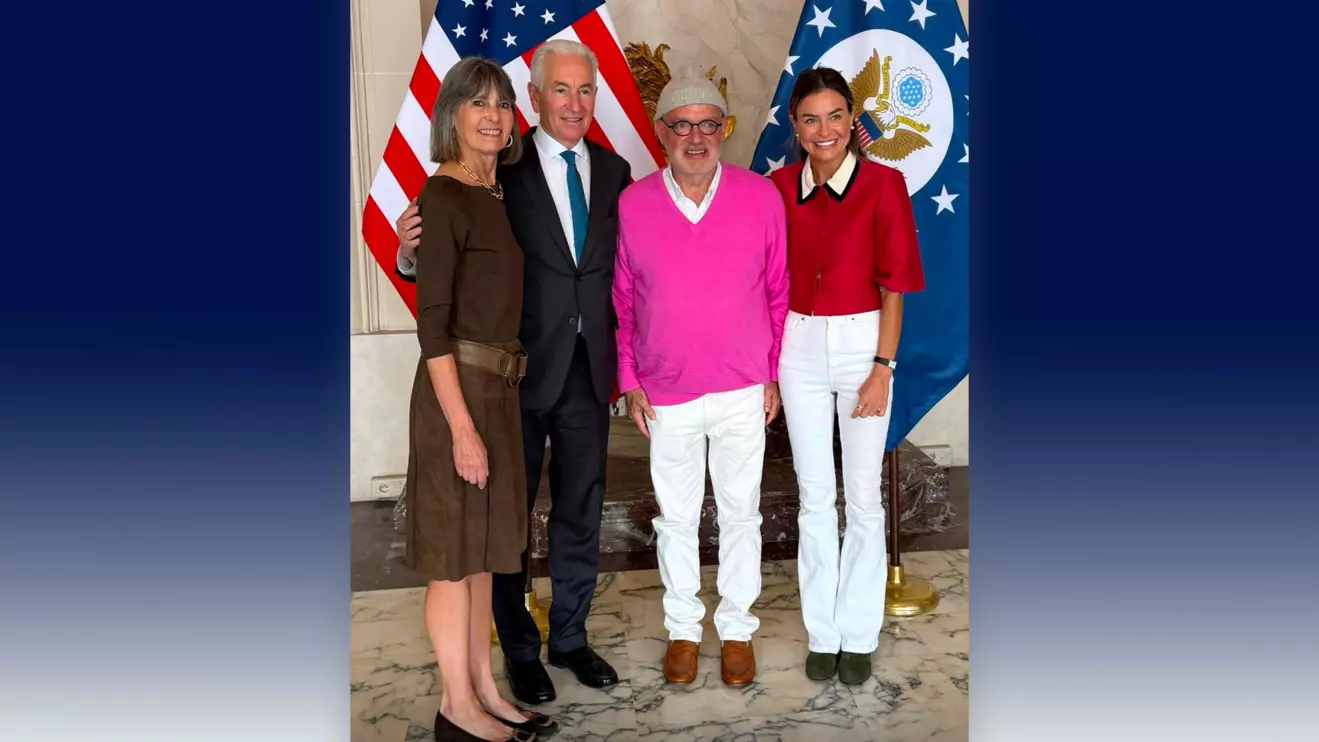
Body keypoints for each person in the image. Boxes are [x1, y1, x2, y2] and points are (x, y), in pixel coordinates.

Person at [396, 39, 629, 706]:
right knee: (505, 523)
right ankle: (518, 652)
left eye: (585, 90)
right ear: (536, 98)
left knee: (579, 510)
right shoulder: (502, 167)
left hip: (588, 372)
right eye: (560, 89)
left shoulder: (613, 174)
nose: (574, 103)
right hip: (510, 378)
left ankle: (570, 638)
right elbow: (446, 256)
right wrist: (409, 254)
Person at [401, 57, 561, 742]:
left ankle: (482, 691)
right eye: (476, 103)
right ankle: (454, 708)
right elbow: (431, 324)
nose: (492, 114)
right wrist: (462, 429)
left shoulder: (488, 192)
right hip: (456, 393)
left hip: (497, 388)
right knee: (450, 560)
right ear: (452, 117)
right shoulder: (441, 196)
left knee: (477, 558)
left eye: (501, 102)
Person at [613, 67, 789, 688]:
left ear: (725, 130)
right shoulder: (634, 202)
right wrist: (630, 378)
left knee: (742, 515)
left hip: (743, 386)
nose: (695, 136)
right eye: (682, 125)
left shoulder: (760, 197)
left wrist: (772, 375)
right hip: (667, 392)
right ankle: (684, 631)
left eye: (707, 124)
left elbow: (777, 291)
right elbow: (623, 301)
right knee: (676, 518)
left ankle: (737, 630)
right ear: (661, 133)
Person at [767, 67, 926, 686]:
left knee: (861, 497)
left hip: (864, 344)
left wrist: (882, 369)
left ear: (852, 119)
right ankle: (823, 631)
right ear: (795, 127)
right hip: (797, 345)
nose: (824, 129)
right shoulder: (778, 187)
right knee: (813, 495)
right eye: (810, 118)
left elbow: (894, 288)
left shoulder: (886, 183)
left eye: (835, 115)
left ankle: (858, 632)